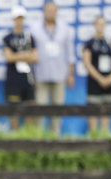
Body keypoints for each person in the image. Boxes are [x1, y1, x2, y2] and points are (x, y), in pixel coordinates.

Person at [29, 1, 76, 134]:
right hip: (40, 74)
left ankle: (55, 139)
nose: (50, 12)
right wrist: (31, 74)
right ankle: (39, 139)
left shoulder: (65, 28)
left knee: (58, 109)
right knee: (40, 109)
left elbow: (70, 53)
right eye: (48, 10)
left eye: (53, 10)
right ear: (44, 11)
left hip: (60, 74)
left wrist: (71, 74)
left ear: (57, 12)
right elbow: (30, 51)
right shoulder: (34, 28)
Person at [83, 16, 111, 133]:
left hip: (109, 81)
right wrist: (100, 79)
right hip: (95, 80)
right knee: (93, 109)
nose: (101, 26)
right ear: (95, 25)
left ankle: (105, 135)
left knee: (107, 110)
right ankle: (93, 136)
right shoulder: (89, 43)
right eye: (98, 24)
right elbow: (87, 63)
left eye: (103, 24)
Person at [2, 5, 37, 130]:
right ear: (13, 19)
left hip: (28, 78)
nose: (19, 21)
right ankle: (15, 137)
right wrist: (26, 55)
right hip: (13, 79)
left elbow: (35, 57)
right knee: (14, 110)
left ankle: (29, 136)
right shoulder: (8, 38)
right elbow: (8, 58)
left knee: (30, 108)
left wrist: (17, 55)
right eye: (17, 18)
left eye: (21, 18)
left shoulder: (29, 37)